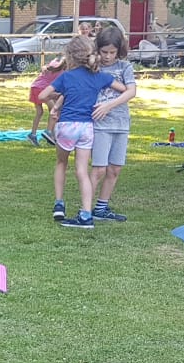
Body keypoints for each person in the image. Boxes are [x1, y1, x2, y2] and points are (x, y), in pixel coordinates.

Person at [38, 36, 116, 230]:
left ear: (71, 56)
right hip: (87, 128)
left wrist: (58, 96)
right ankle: (86, 214)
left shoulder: (66, 77)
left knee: (61, 162)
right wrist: (108, 103)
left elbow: (41, 95)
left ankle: (59, 203)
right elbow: (124, 89)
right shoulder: (99, 77)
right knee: (82, 170)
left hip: (66, 126)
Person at [90, 26, 138, 221]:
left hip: (121, 123)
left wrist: (110, 105)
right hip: (101, 125)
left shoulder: (124, 67)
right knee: (99, 169)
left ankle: (101, 209)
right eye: (104, 52)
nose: (108, 56)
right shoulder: (94, 67)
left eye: (112, 52)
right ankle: (85, 209)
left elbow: (131, 91)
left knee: (114, 168)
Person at [26, 55, 65, 145]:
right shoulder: (63, 72)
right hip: (42, 89)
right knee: (54, 110)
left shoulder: (54, 64)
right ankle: (49, 132)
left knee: (39, 112)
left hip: (35, 87)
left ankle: (33, 134)